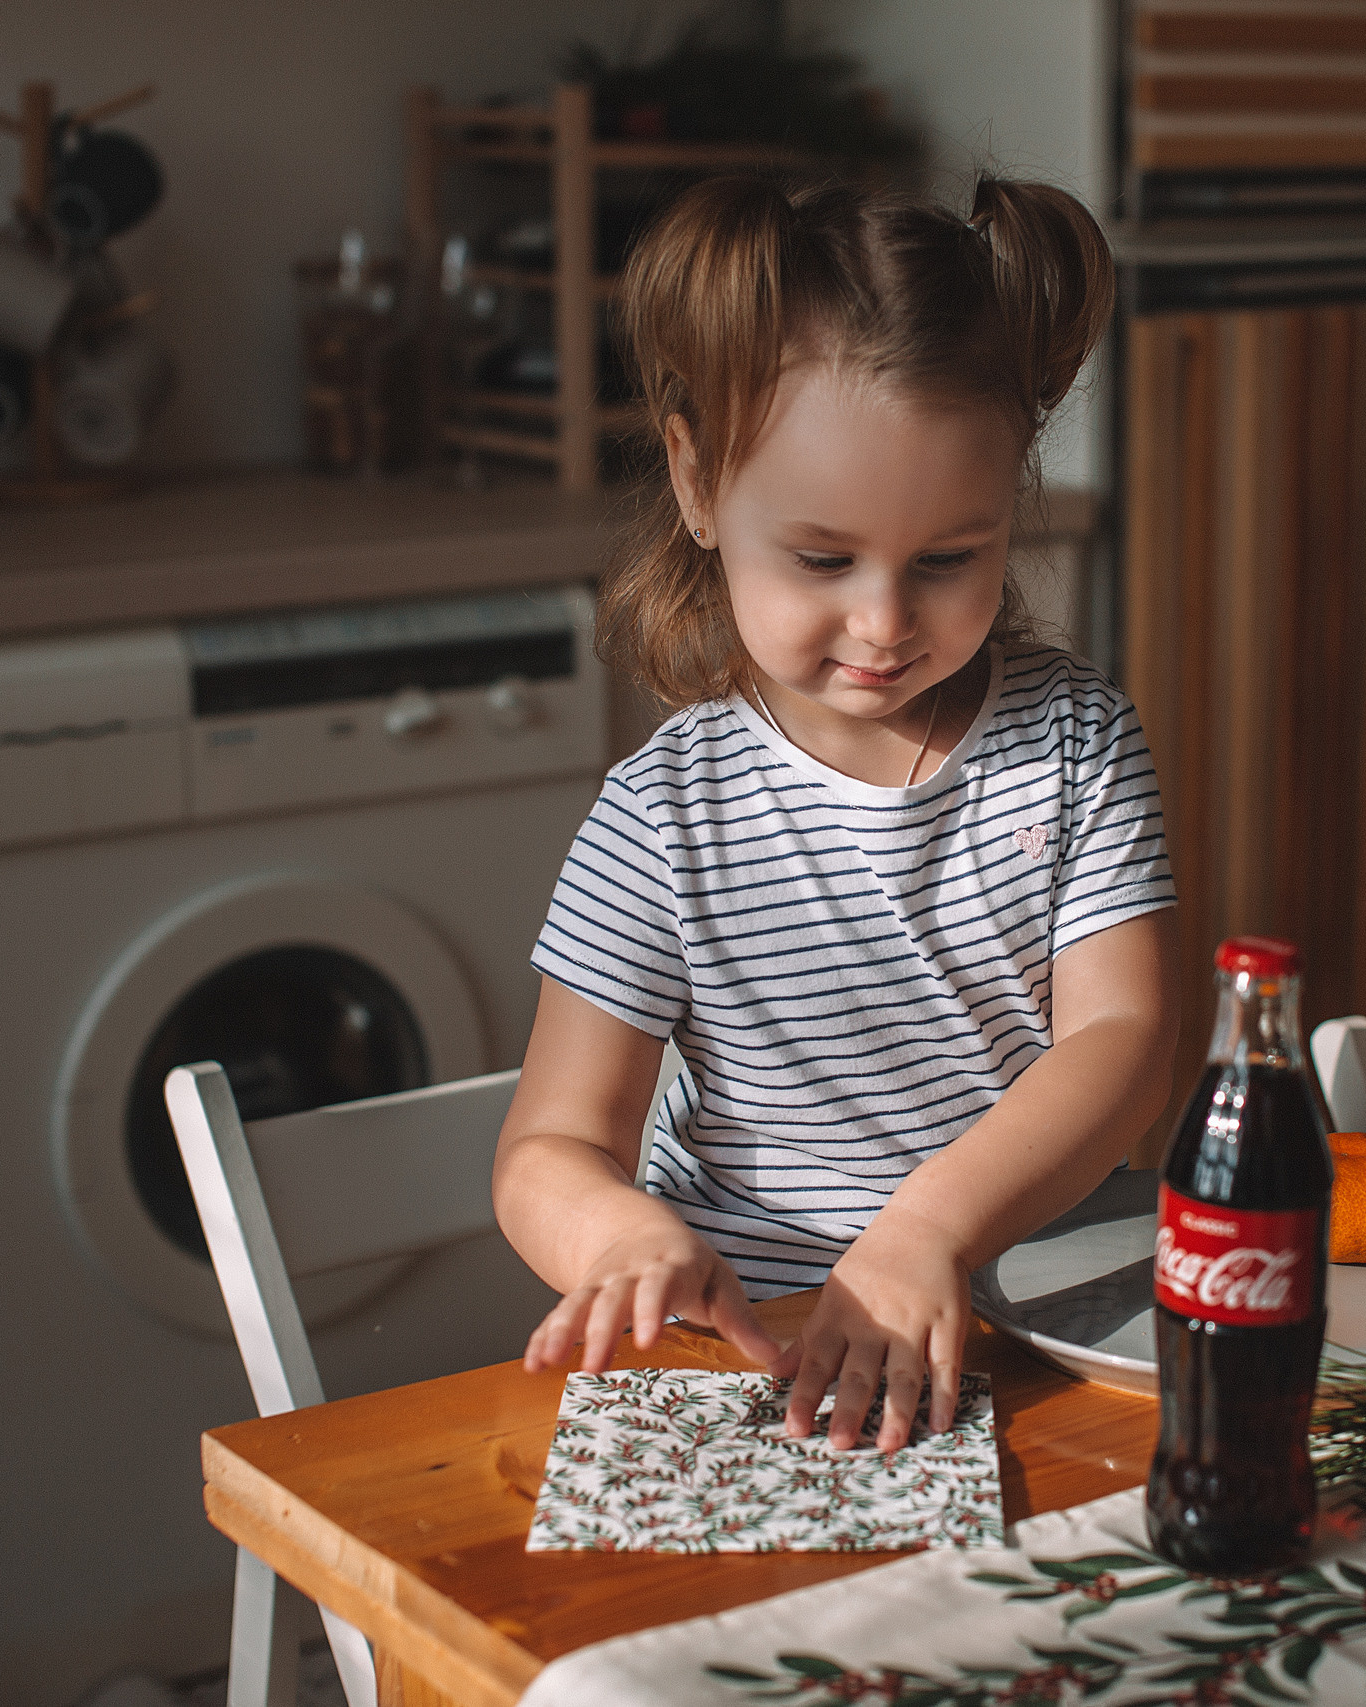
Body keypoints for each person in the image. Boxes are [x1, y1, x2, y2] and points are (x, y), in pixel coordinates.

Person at [491, 173, 1178, 1454]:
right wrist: (626, 1237)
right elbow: (548, 1148)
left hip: (1047, 1332)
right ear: (697, 487)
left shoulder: (1075, 742)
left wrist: (926, 1229)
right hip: (770, 1351)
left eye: (946, 559)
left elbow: (1125, 1039)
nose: (882, 622)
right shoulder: (662, 817)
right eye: (823, 561)